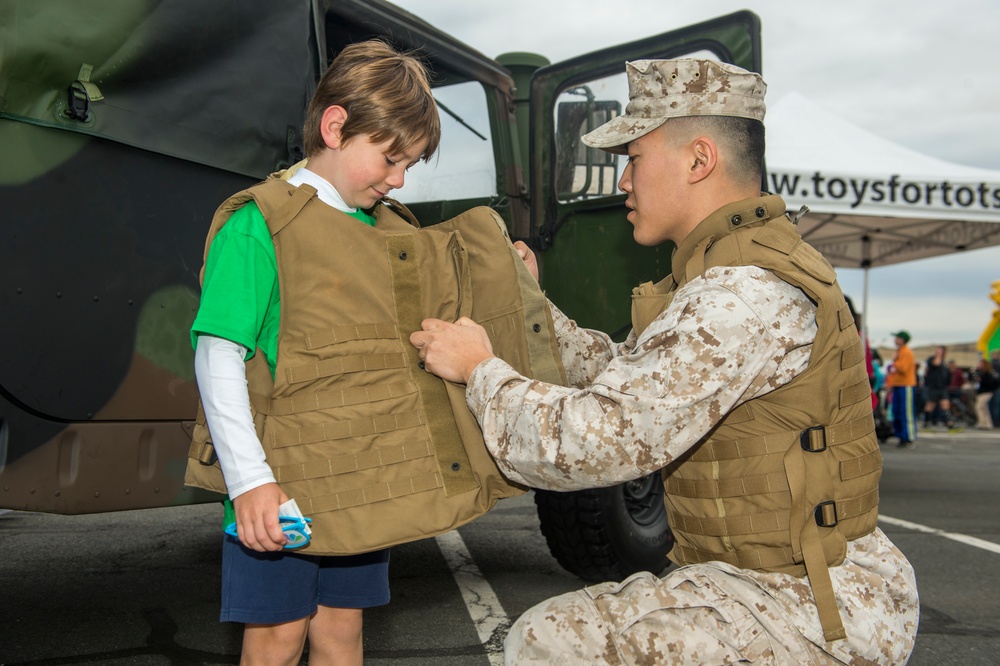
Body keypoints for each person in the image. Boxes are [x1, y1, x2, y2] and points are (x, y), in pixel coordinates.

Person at [411, 58, 917, 665]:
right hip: (780, 580)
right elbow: (628, 368)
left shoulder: (737, 295)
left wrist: (480, 371)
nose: (623, 181)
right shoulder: (736, 271)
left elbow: (599, 441)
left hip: (805, 605)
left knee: (549, 644)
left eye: (635, 159)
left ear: (699, 160)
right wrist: (530, 308)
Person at [190, 40, 440, 665]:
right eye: (390, 158)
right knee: (276, 636)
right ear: (335, 126)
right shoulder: (260, 224)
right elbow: (218, 355)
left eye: (410, 164)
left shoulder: (386, 230)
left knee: (340, 631)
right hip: (283, 483)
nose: (399, 179)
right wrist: (249, 482)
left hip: (358, 477)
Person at [889, 330, 918, 448]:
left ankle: (909, 437)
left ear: (902, 339)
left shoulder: (906, 352)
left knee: (906, 412)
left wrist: (895, 361)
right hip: (898, 385)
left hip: (906, 385)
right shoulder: (900, 351)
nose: (895, 339)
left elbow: (903, 368)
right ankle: (901, 435)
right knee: (897, 411)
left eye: (897, 337)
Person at [922, 345, 953, 429]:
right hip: (933, 387)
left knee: (945, 405)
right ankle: (926, 423)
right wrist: (938, 355)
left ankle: (949, 424)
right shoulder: (931, 359)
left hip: (942, 388)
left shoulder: (944, 363)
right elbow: (936, 363)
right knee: (930, 406)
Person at [973, 358, 998, 429]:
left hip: (986, 392)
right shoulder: (979, 372)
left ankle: (982, 423)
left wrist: (980, 380)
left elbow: (990, 383)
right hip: (980, 392)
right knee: (984, 408)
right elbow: (971, 378)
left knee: (979, 407)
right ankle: (988, 424)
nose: (979, 365)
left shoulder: (988, 373)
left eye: (981, 364)